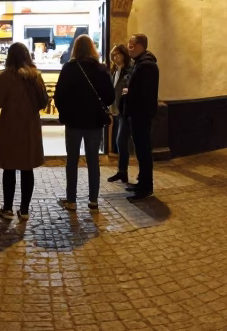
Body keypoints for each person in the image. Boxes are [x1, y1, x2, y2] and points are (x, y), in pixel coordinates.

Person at [53, 34, 114, 210]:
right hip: (94, 122)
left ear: (75, 48)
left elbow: (59, 96)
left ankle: (71, 200)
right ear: (92, 48)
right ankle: (93, 200)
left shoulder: (69, 68)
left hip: (73, 121)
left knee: (72, 160)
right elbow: (110, 97)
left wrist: (65, 112)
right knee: (93, 160)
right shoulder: (101, 69)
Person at [0, 43, 48, 219]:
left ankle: (7, 209)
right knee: (27, 168)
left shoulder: (6, 77)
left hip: (10, 127)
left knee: (9, 168)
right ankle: (24, 210)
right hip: (30, 127)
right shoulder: (36, 77)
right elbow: (43, 102)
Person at [123, 33, 160, 201]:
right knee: (140, 151)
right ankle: (141, 182)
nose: (128, 49)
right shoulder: (139, 63)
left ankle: (146, 187)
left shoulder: (147, 66)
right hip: (137, 115)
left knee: (144, 151)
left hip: (141, 116)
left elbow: (146, 94)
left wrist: (129, 94)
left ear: (140, 46)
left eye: (131, 46)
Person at [106, 44, 134, 182]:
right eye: (113, 55)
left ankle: (123, 171)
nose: (115, 57)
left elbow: (127, 89)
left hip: (125, 110)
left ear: (123, 55)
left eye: (117, 54)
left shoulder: (129, 70)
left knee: (121, 141)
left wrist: (124, 98)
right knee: (119, 141)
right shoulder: (114, 70)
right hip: (115, 109)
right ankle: (121, 171)